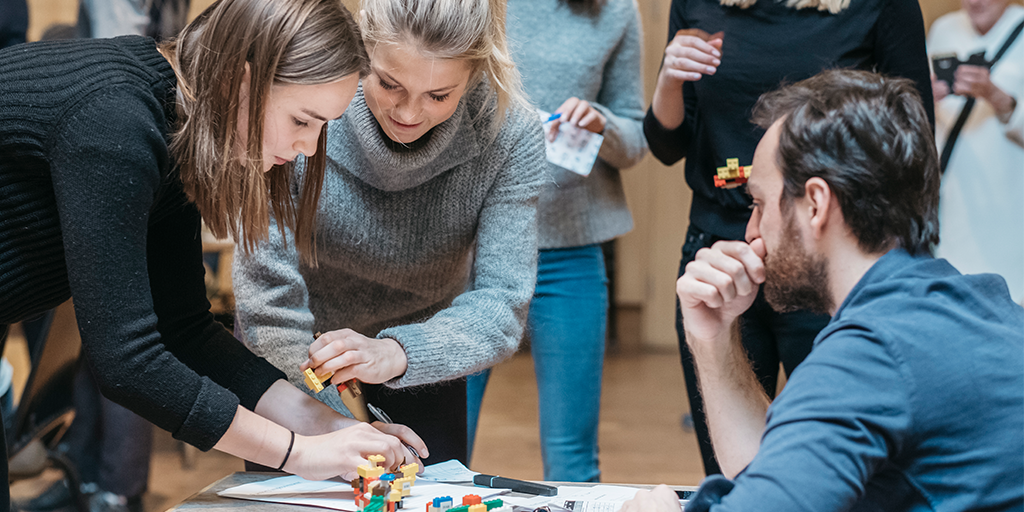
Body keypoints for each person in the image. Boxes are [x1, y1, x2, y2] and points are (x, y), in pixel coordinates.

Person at [0, 0, 427, 507]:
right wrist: (299, 454)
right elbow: (129, 363)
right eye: (301, 120)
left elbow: (184, 330)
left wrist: (329, 426)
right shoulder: (116, 121)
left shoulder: (174, 121)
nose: (309, 148)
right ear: (242, 83)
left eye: (322, 127)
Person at [620, 69, 1024, 512]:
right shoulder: (978, 305)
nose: (752, 232)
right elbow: (776, 476)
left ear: (815, 203)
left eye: (758, 204)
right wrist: (712, 338)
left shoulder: (872, 354)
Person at [232, 0, 547, 465]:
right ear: (363, 48)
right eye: (388, 83)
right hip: (290, 356)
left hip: (425, 355)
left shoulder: (510, 134)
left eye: (439, 95)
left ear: (478, 71)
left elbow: (500, 304)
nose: (408, 113)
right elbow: (268, 306)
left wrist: (398, 351)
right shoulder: (304, 105)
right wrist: (333, 422)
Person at [644, 0, 935, 475]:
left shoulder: (882, 6)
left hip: (827, 263)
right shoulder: (698, 4)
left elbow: (912, 146)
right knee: (729, 467)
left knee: (838, 467)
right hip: (721, 253)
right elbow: (667, 144)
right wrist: (668, 82)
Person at [464, 0, 647, 481]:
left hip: (569, 252)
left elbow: (635, 138)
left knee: (572, 458)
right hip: (465, 252)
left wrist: (602, 123)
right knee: (441, 448)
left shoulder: (616, 11)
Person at [929, 0, 1024, 304]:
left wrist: (996, 95)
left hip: (1011, 203)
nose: (975, 1)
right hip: (955, 198)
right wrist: (925, 99)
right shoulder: (943, 29)